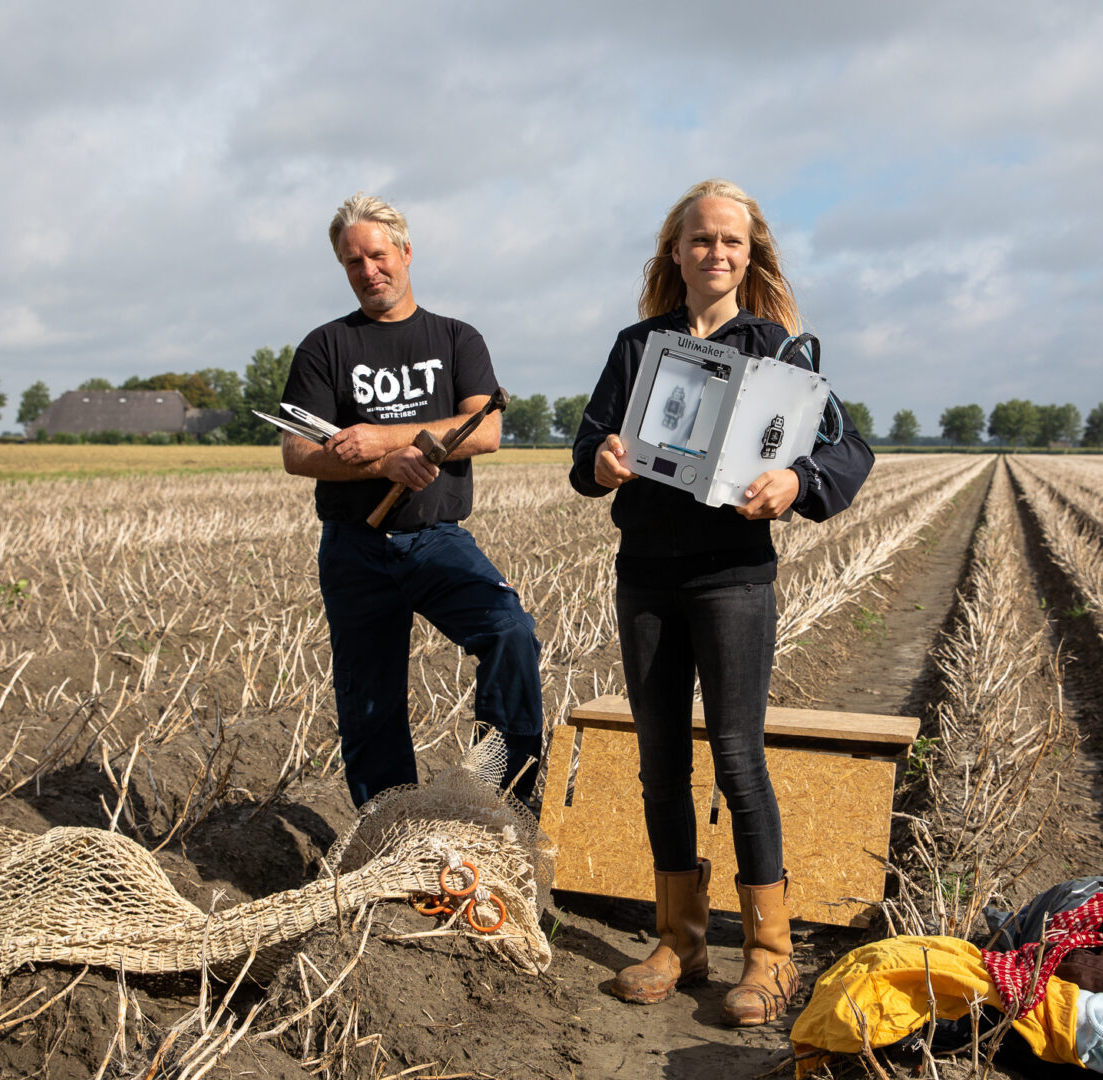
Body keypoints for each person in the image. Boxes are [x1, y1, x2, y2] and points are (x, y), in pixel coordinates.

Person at [568, 179, 873, 1026]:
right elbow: (587, 448)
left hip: (734, 579)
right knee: (661, 761)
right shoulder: (638, 347)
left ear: (752, 254)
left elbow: (851, 454)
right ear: (676, 252)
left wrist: (795, 480)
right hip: (647, 577)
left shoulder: (782, 351)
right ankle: (683, 940)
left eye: (731, 243)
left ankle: (768, 955)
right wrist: (602, 462)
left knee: (738, 759)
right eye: (700, 241)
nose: (715, 254)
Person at [280, 192, 543, 809]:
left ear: (405, 252)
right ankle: (390, 836)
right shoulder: (325, 347)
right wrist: (382, 464)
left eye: (377, 255)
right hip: (354, 547)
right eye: (352, 262)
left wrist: (386, 438)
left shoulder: (455, 339)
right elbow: (298, 452)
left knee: (510, 632)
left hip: (436, 539)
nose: (368, 271)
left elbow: (484, 430)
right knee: (369, 703)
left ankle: (500, 799)